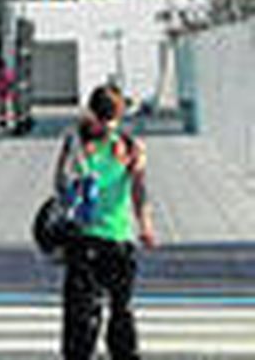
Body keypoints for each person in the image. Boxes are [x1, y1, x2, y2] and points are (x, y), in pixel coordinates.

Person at [54, 85, 158, 360]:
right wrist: (145, 227)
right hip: (116, 239)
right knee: (120, 310)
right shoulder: (129, 145)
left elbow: (60, 185)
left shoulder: (77, 141)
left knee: (81, 314)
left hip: (86, 240)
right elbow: (139, 191)